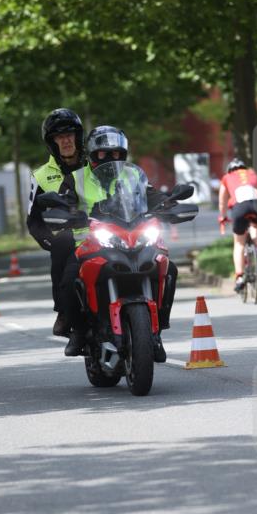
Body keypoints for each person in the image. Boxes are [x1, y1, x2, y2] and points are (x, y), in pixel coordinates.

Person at [59, 126, 178, 358]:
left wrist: (168, 203)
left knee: (169, 268)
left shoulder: (132, 175)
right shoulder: (76, 178)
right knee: (69, 278)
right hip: (91, 241)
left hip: (133, 235)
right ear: (92, 154)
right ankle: (79, 331)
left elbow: (151, 195)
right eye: (103, 153)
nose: (110, 158)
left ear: (123, 155)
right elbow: (63, 203)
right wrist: (64, 212)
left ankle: (158, 329)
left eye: (115, 154)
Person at [27, 108, 86, 337]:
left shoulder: (95, 165)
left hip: (102, 231)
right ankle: (64, 312)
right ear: (52, 142)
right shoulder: (40, 175)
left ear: (78, 136)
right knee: (61, 246)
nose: (66, 140)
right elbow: (33, 219)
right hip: (68, 236)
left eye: (70, 134)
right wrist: (51, 241)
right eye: (60, 136)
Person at [218, 157, 257, 292]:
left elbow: (222, 201)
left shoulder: (227, 177)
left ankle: (239, 277)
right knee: (255, 226)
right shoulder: (252, 173)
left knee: (239, 243)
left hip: (240, 207)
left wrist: (222, 217)